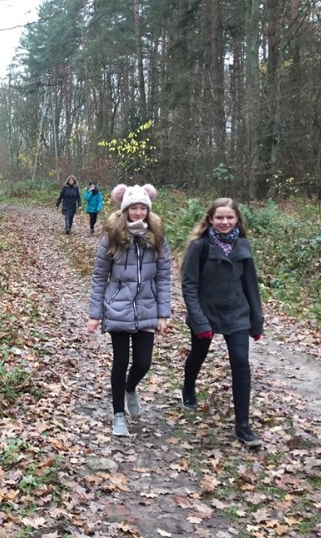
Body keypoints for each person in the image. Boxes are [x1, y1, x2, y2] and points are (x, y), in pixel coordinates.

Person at [86, 184, 171, 436]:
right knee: (120, 362)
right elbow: (99, 277)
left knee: (143, 363)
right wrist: (95, 314)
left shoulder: (157, 238)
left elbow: (164, 278)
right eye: (133, 207)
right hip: (117, 308)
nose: (138, 212)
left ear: (148, 209)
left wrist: (163, 314)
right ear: (125, 209)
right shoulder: (113, 237)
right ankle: (118, 415)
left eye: (142, 207)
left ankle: (130, 388)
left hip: (147, 308)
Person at [180, 198, 264, 447]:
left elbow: (251, 285)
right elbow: (189, 286)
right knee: (198, 354)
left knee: (241, 363)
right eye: (219, 217)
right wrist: (199, 321)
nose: (224, 222)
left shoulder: (243, 244)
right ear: (210, 219)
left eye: (229, 217)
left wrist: (256, 321)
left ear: (237, 219)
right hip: (206, 312)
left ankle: (243, 426)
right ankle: (188, 388)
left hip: (237, 313)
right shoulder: (200, 246)